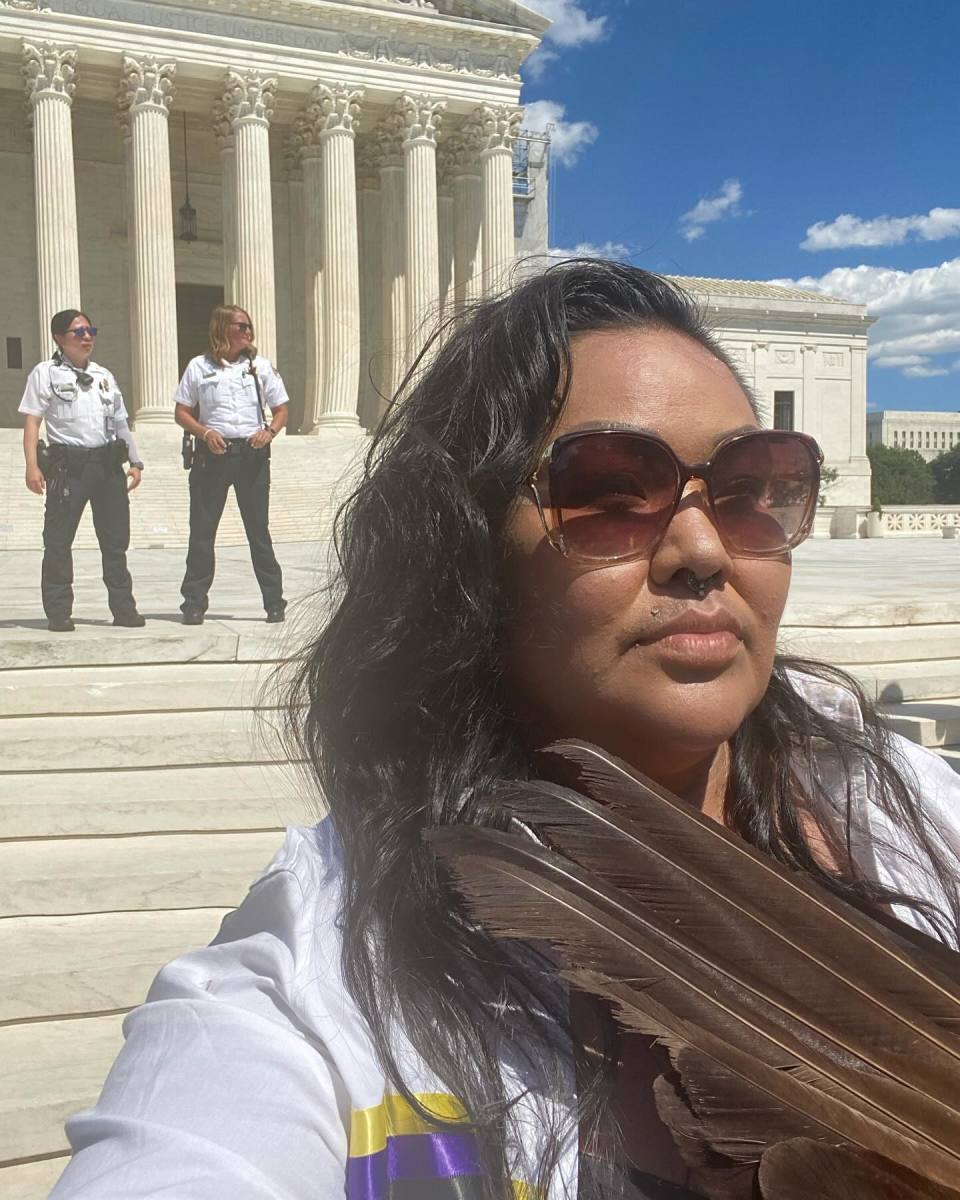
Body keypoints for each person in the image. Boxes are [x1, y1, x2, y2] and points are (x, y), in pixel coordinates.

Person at [51, 263, 960, 1198]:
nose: (702, 550)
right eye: (609, 489)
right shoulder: (317, 973)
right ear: (468, 545)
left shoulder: (920, 819)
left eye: (753, 486)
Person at [19, 309, 145, 633]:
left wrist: (135, 460)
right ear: (59, 338)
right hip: (69, 468)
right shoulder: (45, 373)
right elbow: (32, 422)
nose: (87, 336)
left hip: (107, 467)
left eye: (90, 330)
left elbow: (120, 421)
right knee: (59, 541)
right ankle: (59, 612)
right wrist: (32, 466)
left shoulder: (104, 376)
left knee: (115, 542)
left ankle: (124, 609)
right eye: (78, 331)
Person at [173, 305, 288, 625]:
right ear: (223, 328)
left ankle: (274, 601)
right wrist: (204, 432)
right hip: (213, 455)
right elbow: (181, 412)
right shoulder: (199, 366)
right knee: (202, 533)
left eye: (249, 326)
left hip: (251, 455)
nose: (248, 332)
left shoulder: (260, 367)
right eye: (241, 326)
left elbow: (281, 409)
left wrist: (270, 432)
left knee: (258, 533)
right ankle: (193, 603)